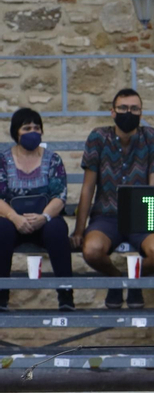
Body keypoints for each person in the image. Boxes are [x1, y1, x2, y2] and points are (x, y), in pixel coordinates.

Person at [71, 88, 154, 309]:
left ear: (141, 112)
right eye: (123, 108)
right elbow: (87, 187)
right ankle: (116, 280)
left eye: (134, 108)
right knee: (91, 250)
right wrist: (79, 230)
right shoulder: (98, 137)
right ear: (112, 111)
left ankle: (133, 280)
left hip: (141, 216)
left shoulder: (151, 137)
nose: (128, 112)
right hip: (106, 216)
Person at [0, 108, 73, 311]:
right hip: (12, 221)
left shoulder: (53, 160)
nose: (33, 131)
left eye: (36, 128)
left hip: (43, 220)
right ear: (16, 132)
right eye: (27, 128)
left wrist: (44, 216)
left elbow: (60, 195)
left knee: (57, 229)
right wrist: (14, 218)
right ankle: (1, 296)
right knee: (1, 230)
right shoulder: (3, 161)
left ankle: (66, 295)